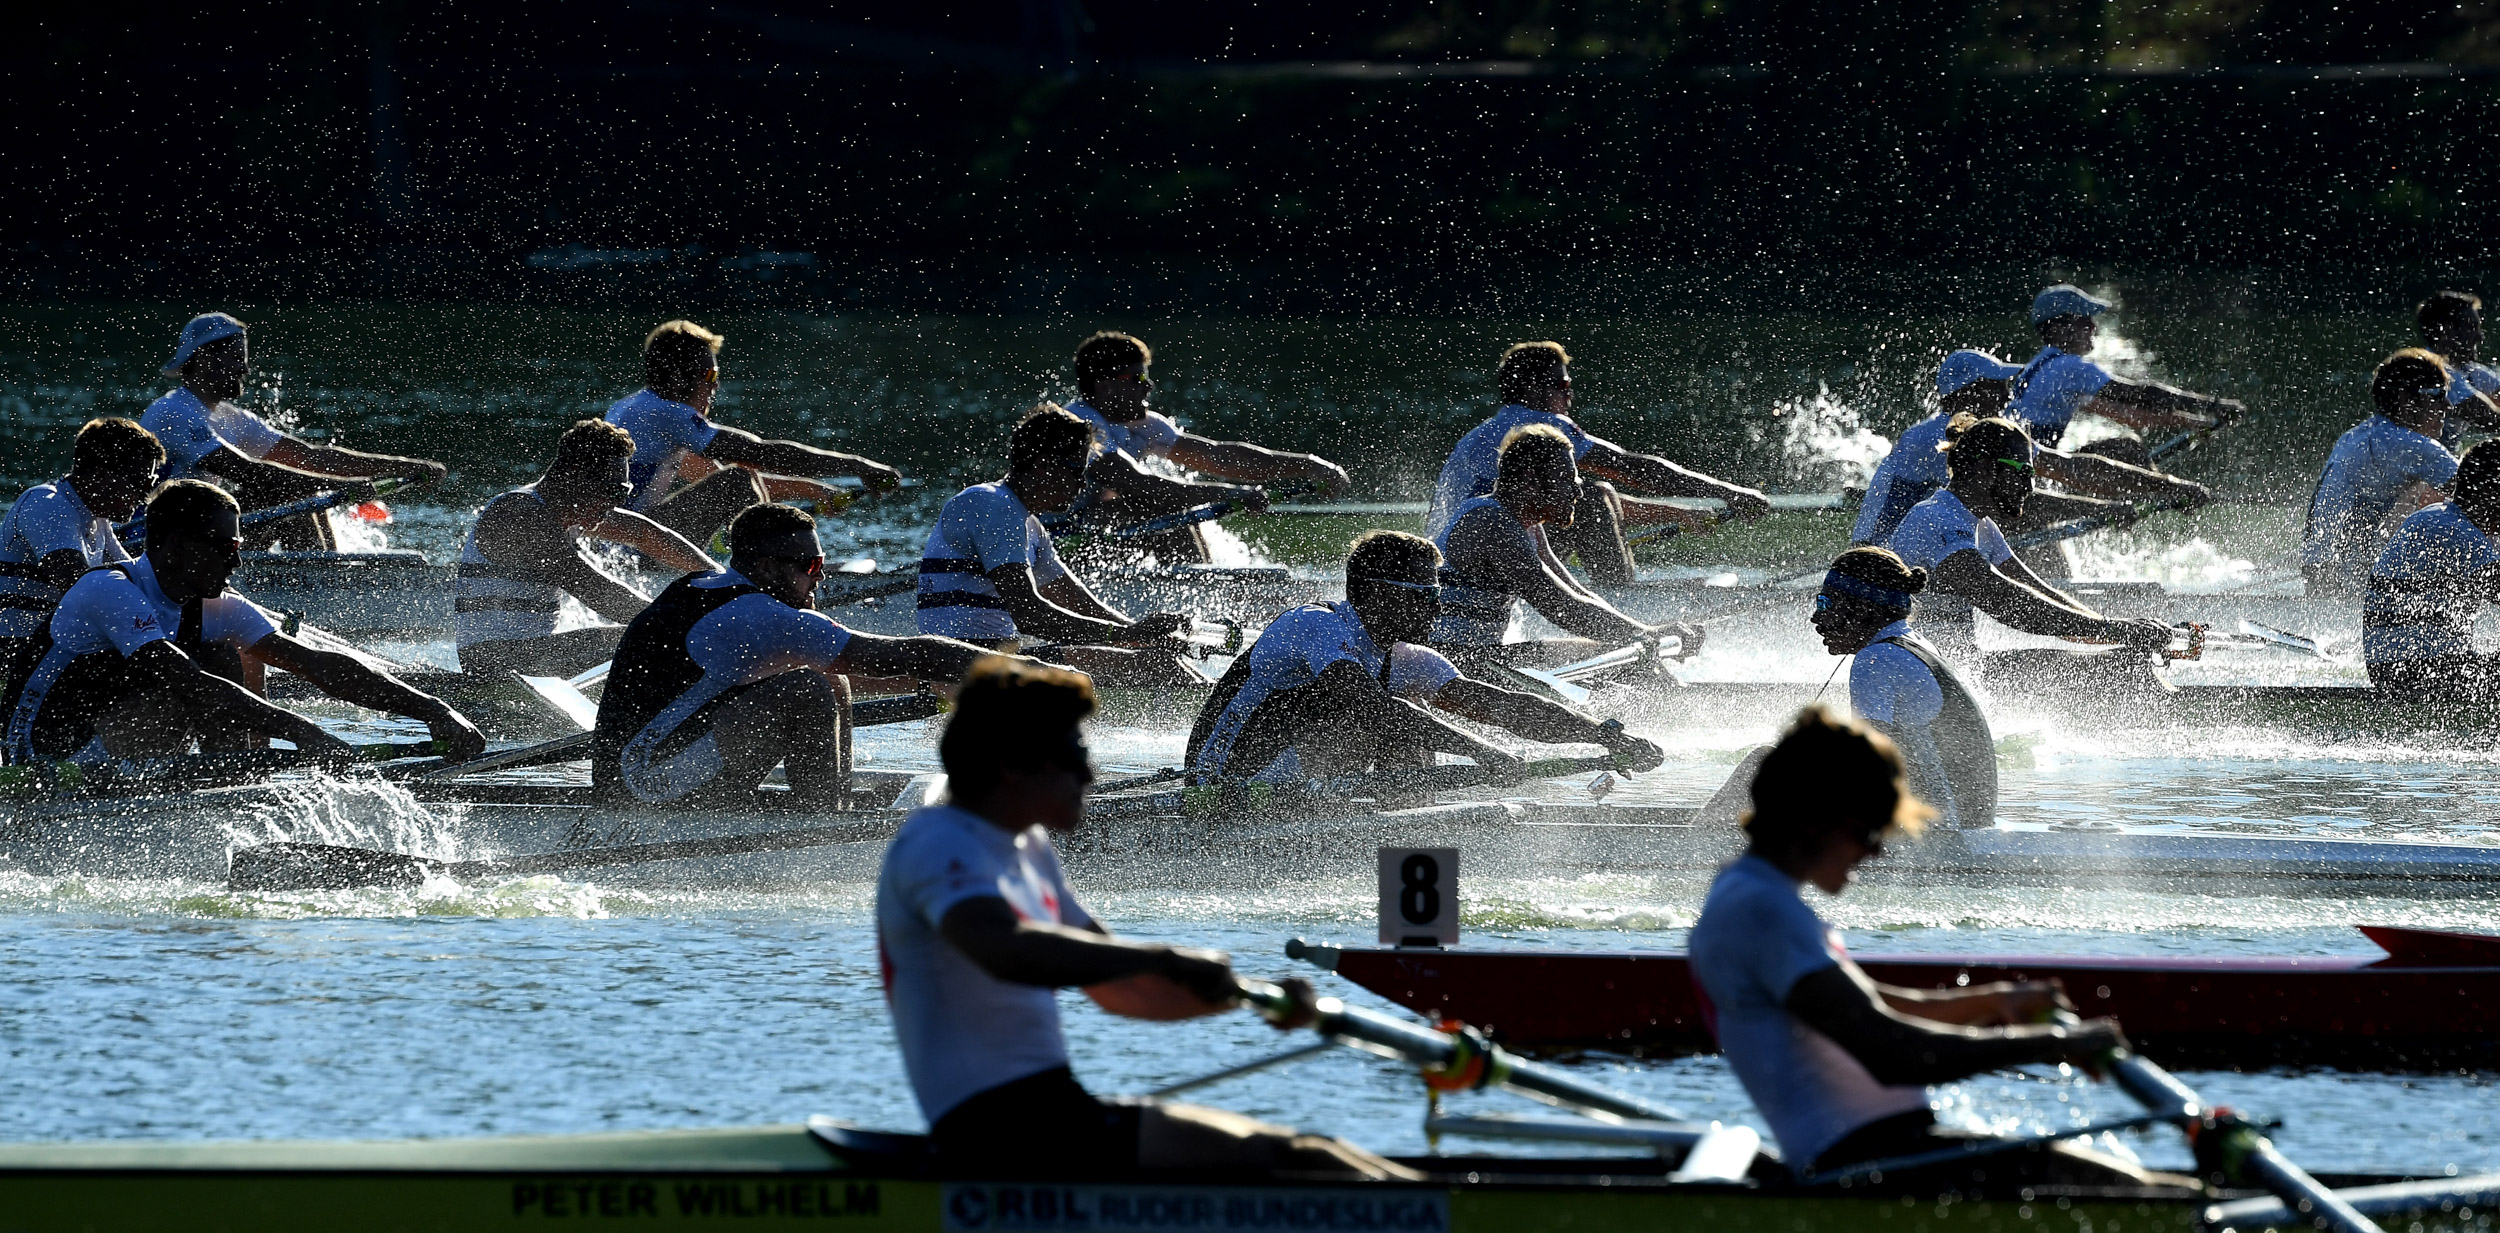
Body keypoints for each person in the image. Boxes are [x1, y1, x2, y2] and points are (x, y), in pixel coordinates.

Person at [876, 656, 1420, 1180]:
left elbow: (1125, 991)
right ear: (1012, 765)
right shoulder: (938, 841)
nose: (1090, 771)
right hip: (995, 1134)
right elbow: (1005, 949)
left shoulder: (1027, 846)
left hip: (1054, 1114)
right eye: (1072, 753)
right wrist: (1165, 955)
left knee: (1315, 1152)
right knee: (1302, 1159)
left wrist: (1253, 999)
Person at [1688, 707, 2184, 1191]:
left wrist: (1995, 1004)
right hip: (1865, 1166)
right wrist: (2058, 1045)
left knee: (2147, 1186)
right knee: (2151, 1195)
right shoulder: (1762, 910)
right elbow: (1893, 1054)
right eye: (1868, 831)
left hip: (1884, 1154)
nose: (1877, 851)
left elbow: (1872, 1006)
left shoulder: (1751, 894)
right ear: (1815, 820)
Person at [7, 481, 486, 769]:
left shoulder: (213, 604)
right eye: (224, 546)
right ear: (173, 545)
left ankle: (235, 786)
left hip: (119, 747)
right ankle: (210, 788)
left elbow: (317, 666)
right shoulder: (109, 589)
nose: (236, 560)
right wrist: (302, 730)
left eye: (236, 546)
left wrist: (434, 709)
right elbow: (186, 682)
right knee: (200, 671)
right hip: (41, 754)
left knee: (233, 653)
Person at [592, 503, 1003, 809]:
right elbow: (911, 653)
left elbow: (879, 669)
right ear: (768, 567)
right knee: (806, 688)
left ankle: (831, 802)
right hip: (638, 784)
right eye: (810, 564)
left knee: (827, 675)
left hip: (640, 764)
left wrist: (940, 682)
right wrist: (1033, 673)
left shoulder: (702, 584)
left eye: (821, 562)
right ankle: (820, 825)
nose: (820, 575)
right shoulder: (758, 614)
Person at [1188, 530, 1665, 786]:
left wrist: (1601, 736)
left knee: (1414, 733)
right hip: (1223, 775)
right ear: (1371, 594)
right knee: (1369, 711)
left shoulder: (1407, 656)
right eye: (1422, 595)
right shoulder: (1314, 625)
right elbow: (1370, 710)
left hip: (1296, 776)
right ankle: (1377, 824)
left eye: (1438, 594)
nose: (1437, 607)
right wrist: (1483, 751)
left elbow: (1499, 706)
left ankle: (1401, 829)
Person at [1426, 341, 1771, 584]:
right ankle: (1621, 599)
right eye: (1562, 385)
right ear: (1531, 387)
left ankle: (1608, 592)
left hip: (1459, 561)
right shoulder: (1542, 428)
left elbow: (1572, 498)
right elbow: (1633, 469)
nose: (1570, 395)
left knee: (1593, 494)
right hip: (1479, 566)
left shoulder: (1485, 432)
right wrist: (1729, 492)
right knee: (1593, 496)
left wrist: (1680, 514)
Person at [915, 406, 1200, 686]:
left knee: (1159, 659)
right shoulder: (992, 505)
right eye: (1077, 470)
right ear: (1042, 464)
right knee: (1159, 668)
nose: (1082, 485)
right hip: (957, 667)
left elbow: (1079, 604)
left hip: (996, 657)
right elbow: (1031, 616)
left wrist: (1140, 635)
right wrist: (1124, 634)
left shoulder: (1030, 525)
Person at [141, 313, 449, 551]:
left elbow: (312, 458)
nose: (245, 369)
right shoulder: (173, 413)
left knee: (297, 490)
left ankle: (328, 572)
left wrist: (405, 466)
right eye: (236, 359)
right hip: (164, 539)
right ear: (205, 359)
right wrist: (352, 487)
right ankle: (322, 583)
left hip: (206, 530)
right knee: (287, 491)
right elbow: (257, 475)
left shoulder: (232, 418)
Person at [1883, 416, 2171, 664]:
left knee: (2122, 661)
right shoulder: (1937, 520)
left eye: (2032, 472)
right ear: (1984, 468)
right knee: (2110, 667)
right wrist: (2116, 630)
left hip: (1953, 666)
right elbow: (2010, 603)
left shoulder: (1982, 526)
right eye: (2021, 470)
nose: (2030, 486)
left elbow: (2039, 591)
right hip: (1912, 676)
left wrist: (2117, 633)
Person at [1853, 350, 2206, 548]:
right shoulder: (1939, 437)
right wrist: (2106, 508)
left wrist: (2170, 487)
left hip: (1928, 546)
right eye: (1998, 387)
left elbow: (2069, 468)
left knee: (2031, 535)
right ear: (1970, 392)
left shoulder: (1983, 433)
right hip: (1885, 556)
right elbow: (2029, 501)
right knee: (2021, 515)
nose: (2007, 396)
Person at [605, 320, 904, 548]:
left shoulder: (633, 409)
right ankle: (767, 575)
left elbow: (716, 474)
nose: (716, 386)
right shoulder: (668, 413)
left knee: (737, 477)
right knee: (738, 481)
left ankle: (763, 564)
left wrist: (813, 490)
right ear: (676, 377)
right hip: (627, 546)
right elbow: (762, 454)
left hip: (617, 540)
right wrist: (857, 466)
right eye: (709, 376)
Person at [454, 419, 718, 678]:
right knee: (652, 636)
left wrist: (724, 580)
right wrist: (685, 624)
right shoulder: (520, 514)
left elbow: (647, 534)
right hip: (493, 663)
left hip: (532, 655)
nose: (616, 504)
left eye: (623, 493)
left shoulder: (567, 509)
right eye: (614, 491)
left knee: (654, 633)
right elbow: (598, 591)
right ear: (576, 477)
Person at [1431, 425, 1701, 667]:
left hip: (1480, 656)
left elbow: (1575, 592)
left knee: (1624, 651)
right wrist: (1645, 634)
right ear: (1529, 481)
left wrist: (1645, 632)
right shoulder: (1492, 523)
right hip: (1452, 661)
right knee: (1624, 659)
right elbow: (1562, 607)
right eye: (1567, 480)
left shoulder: (1529, 526)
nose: (1578, 492)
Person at [1061, 331, 1348, 554]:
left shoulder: (1144, 425)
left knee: (1166, 509)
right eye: (1137, 378)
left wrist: (1309, 466)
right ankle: (1205, 589)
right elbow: (1139, 484)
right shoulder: (1077, 424)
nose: (1149, 386)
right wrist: (1226, 493)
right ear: (1105, 384)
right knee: (1162, 506)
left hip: (1099, 533)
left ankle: (1206, 581)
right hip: (1062, 536)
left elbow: (1218, 457)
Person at [1809, 547, 1995, 829]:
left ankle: (1722, 847)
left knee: (1762, 763)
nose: (1816, 617)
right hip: (1971, 823)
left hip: (1940, 833)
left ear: (1864, 607)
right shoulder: (1915, 643)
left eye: (1826, 604)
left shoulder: (1876, 658)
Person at [1, 418, 163, 713]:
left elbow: (144, 582)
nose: (144, 498)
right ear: (102, 475)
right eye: (140, 483)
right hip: (11, 656)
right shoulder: (46, 504)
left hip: (47, 653)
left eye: (151, 485)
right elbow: (81, 589)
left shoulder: (96, 520)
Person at [2300, 349, 2472, 597]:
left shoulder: (2360, 435)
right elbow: (2482, 495)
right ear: (2406, 400)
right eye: (2438, 395)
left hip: (2320, 575)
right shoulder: (2409, 444)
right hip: (2339, 580)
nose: (2447, 406)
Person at [2007, 285, 2244, 455]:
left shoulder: (2040, 366)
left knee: (2126, 445)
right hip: (2028, 466)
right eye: (2084, 320)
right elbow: (2139, 395)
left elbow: (2128, 416)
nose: (2093, 327)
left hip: (2023, 461)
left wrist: (2190, 422)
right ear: (2059, 328)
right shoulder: (2067, 368)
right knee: (2126, 450)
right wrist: (2213, 405)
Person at [2362, 441, 2500, 701]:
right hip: (2416, 676)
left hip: (2404, 670)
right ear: (2491, 494)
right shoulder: (2455, 532)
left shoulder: (2441, 517)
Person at [2416, 290, 2500, 447]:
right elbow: (2493, 420)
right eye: (2472, 328)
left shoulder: (2470, 371)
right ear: (2447, 331)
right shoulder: (2432, 372)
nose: (2480, 336)